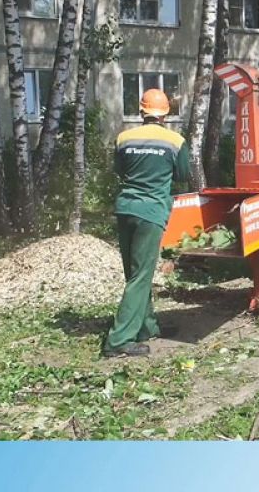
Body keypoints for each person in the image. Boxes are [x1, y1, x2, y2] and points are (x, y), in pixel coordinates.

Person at [103, 88, 190, 358]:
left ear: (141, 111)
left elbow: (119, 170)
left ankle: (146, 327)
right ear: (165, 114)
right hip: (151, 213)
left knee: (135, 273)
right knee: (141, 276)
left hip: (125, 209)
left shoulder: (124, 138)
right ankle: (119, 340)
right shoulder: (175, 141)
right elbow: (183, 175)